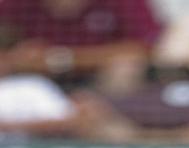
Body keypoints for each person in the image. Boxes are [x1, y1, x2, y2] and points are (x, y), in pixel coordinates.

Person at [0, 0, 161, 93]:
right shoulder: (13, 4)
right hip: (34, 85)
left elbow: (145, 48)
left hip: (97, 83)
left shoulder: (123, 3)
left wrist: (60, 58)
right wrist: (17, 57)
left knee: (125, 67)